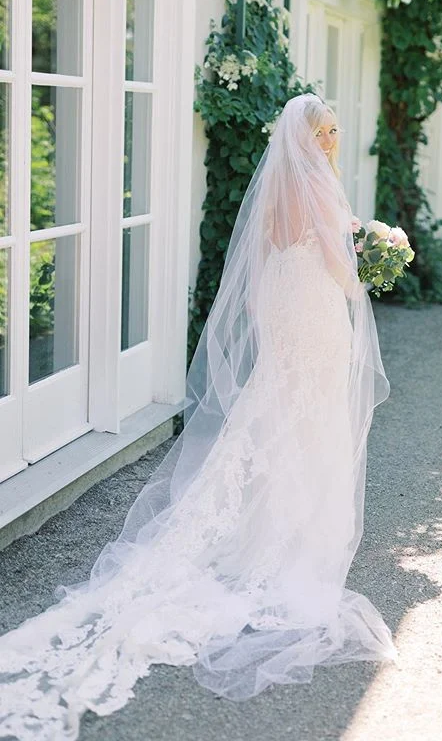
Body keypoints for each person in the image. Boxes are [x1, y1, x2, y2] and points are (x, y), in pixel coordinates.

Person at [0, 93, 397, 741]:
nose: (330, 140)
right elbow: (338, 266)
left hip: (281, 302)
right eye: (324, 131)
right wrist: (369, 269)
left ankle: (259, 517)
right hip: (313, 308)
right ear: (308, 138)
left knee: (275, 406)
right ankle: (288, 536)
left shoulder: (276, 185)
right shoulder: (319, 186)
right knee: (307, 412)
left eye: (333, 130)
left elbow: (267, 253)